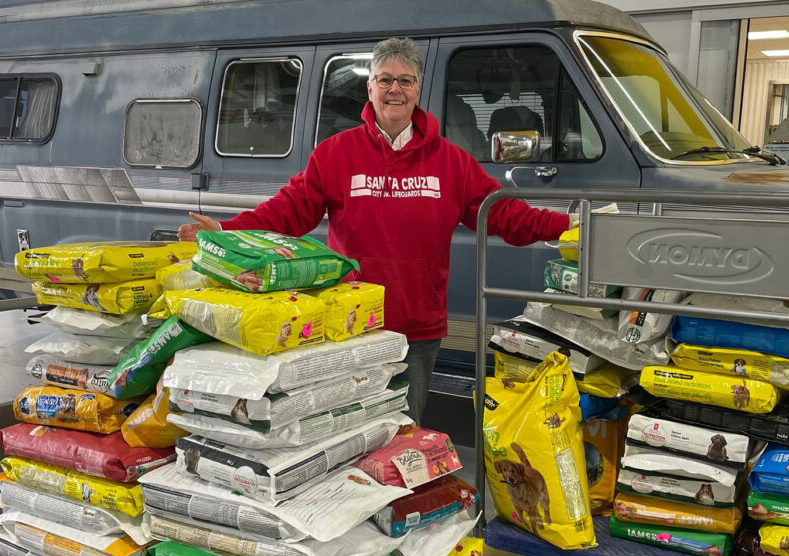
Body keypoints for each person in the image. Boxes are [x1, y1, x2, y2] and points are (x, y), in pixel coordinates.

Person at [179, 37, 572, 423]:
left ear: (418, 89)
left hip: (416, 327)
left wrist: (566, 226)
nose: (394, 89)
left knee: (404, 429)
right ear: (370, 89)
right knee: (346, 431)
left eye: (404, 80)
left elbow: (502, 214)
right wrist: (227, 231)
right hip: (351, 322)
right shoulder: (336, 154)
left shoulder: (452, 162)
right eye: (384, 79)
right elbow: (288, 212)